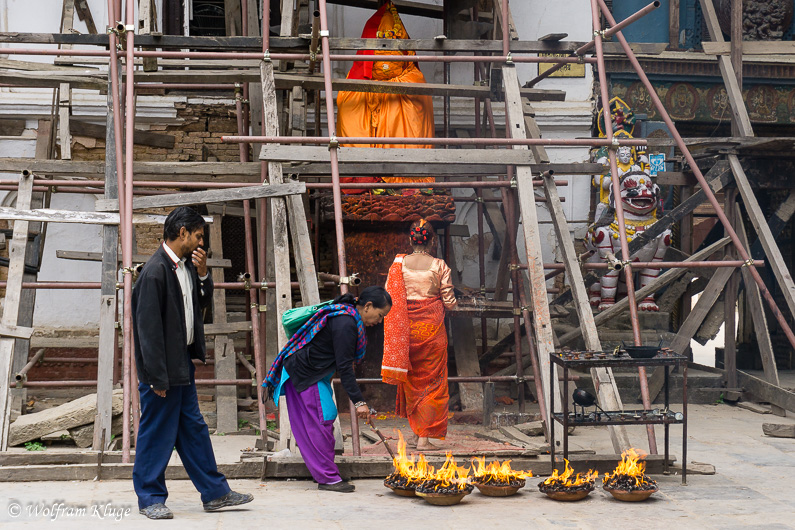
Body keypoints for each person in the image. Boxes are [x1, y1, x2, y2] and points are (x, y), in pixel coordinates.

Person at [132, 206, 253, 519]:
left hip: (181, 362)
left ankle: (215, 493)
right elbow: (148, 332)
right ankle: (149, 498)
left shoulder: (184, 267)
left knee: (193, 429)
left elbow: (198, 305)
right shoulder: (155, 271)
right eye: (198, 235)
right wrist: (157, 378)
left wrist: (203, 275)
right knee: (157, 431)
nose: (201, 242)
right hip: (162, 370)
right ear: (182, 232)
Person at [264, 287, 392, 493]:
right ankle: (328, 478)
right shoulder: (346, 323)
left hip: (307, 372)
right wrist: (359, 402)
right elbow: (345, 367)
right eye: (380, 315)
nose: (379, 321)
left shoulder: (347, 315)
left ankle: (326, 473)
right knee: (321, 422)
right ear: (368, 306)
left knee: (316, 423)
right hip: (306, 373)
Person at [382, 219, 457, 451]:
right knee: (432, 383)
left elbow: (388, 294)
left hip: (405, 332)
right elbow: (450, 303)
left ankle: (416, 435)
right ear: (432, 241)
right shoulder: (440, 265)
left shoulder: (398, 263)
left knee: (411, 381)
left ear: (410, 240)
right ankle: (424, 438)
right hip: (432, 331)